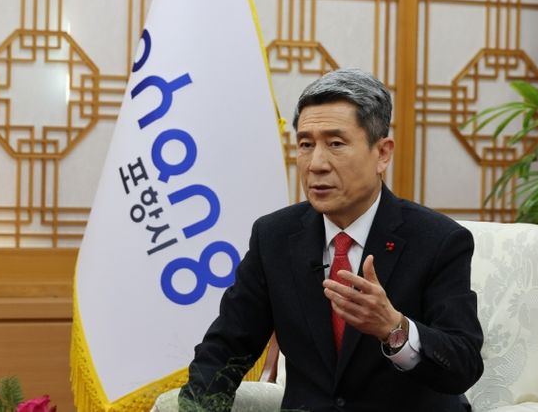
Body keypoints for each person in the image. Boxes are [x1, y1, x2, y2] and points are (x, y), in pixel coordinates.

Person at [178, 68, 484, 412]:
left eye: (336, 144)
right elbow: (226, 349)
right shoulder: (274, 237)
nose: (316, 164)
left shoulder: (438, 240)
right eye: (306, 145)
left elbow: (464, 365)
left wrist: (393, 328)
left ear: (382, 153)